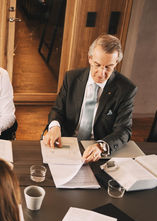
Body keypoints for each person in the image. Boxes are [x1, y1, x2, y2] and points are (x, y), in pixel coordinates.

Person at [42, 34, 137, 163]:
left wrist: (101, 146)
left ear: (116, 63)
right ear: (90, 58)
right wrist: (54, 126)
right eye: (97, 65)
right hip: (67, 141)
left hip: (97, 149)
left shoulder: (126, 89)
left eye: (108, 67)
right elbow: (58, 110)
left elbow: (123, 130)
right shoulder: (71, 78)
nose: (101, 73)